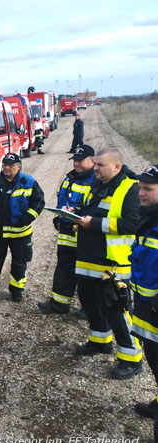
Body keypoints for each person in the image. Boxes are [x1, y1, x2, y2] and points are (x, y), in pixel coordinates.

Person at [73, 148, 142, 380]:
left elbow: (131, 224)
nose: (95, 168)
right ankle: (100, 341)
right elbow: (93, 212)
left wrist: (92, 224)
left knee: (117, 311)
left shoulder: (130, 189)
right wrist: (76, 216)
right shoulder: (98, 186)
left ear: (116, 167)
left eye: (100, 165)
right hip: (88, 259)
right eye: (95, 164)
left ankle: (131, 359)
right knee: (92, 306)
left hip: (112, 265)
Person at [0, 153, 45, 302]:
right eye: (5, 164)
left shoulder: (28, 182)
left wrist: (28, 217)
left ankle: (16, 290)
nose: (7, 168)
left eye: (11, 165)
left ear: (18, 167)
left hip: (20, 233)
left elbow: (39, 202)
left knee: (19, 263)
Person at [38, 145, 96, 317]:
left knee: (87, 272)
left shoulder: (97, 181)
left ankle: (89, 309)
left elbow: (96, 208)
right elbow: (62, 197)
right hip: (66, 231)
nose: (76, 164)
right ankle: (59, 304)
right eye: (75, 160)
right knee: (64, 267)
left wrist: (78, 213)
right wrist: (58, 216)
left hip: (85, 233)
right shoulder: (70, 177)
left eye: (80, 160)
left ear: (92, 161)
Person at [129, 164, 158, 443]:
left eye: (148, 189)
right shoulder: (149, 219)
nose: (142, 193)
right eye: (141, 188)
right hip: (149, 313)